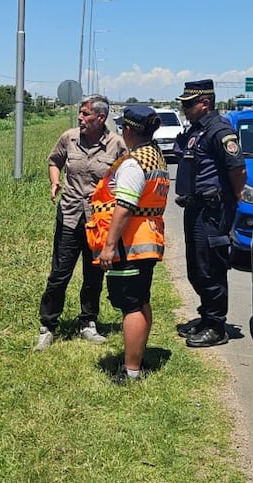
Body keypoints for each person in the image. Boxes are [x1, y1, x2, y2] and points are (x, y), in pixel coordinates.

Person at [35, 95, 128, 351]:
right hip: (70, 215)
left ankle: (88, 322)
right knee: (59, 274)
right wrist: (55, 181)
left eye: (85, 114)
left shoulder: (116, 144)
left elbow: (127, 176)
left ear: (101, 117)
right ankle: (48, 326)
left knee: (93, 274)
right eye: (80, 113)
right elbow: (54, 161)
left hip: (99, 219)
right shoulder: (69, 138)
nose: (80, 118)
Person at [86, 105, 170, 383]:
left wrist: (109, 246)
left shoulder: (134, 163)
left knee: (131, 305)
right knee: (141, 300)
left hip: (130, 244)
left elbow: (124, 207)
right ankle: (137, 357)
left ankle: (131, 370)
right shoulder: (154, 156)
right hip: (146, 239)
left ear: (129, 130)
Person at [173, 79, 246, 347]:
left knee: (210, 268)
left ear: (205, 103)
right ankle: (206, 317)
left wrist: (234, 199)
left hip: (212, 210)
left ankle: (216, 326)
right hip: (195, 207)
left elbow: (237, 169)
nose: (184, 109)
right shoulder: (197, 130)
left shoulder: (219, 130)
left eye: (189, 104)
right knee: (196, 267)